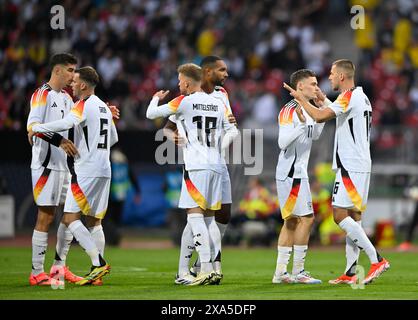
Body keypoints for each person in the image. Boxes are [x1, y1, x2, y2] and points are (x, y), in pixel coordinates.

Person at [284, 59, 390, 285]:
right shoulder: (360, 96)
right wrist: (323, 100)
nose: (329, 77)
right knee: (354, 217)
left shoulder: (349, 97)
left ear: (342, 77)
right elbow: (342, 113)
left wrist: (303, 99)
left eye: (332, 74)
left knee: (339, 215)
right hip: (360, 163)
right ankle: (351, 272)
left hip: (350, 164)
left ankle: (376, 260)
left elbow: (321, 116)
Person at [146, 63, 239, 285]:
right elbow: (233, 130)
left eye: (180, 81)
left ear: (187, 82)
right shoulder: (217, 103)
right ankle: (191, 271)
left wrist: (155, 98)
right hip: (217, 165)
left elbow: (151, 114)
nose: (179, 85)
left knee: (194, 216)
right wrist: (219, 147)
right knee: (207, 219)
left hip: (196, 166)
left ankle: (206, 268)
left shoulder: (184, 101)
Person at [29, 66, 118, 285]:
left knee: (70, 218)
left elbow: (66, 123)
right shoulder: (104, 108)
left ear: (84, 85)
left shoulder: (83, 104)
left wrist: (38, 127)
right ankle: (95, 275)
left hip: (87, 170)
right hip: (104, 169)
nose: (72, 84)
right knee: (95, 221)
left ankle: (98, 263)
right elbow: (113, 138)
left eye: (75, 81)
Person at [26, 53, 82, 286]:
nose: (73, 75)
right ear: (57, 70)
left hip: (64, 167)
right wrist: (58, 140)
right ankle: (36, 272)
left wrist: (105, 112)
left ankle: (59, 268)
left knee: (70, 215)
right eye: (69, 70)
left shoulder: (68, 99)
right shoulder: (42, 95)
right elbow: (33, 128)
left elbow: (77, 121)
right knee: (46, 216)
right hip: (46, 166)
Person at [273, 69, 325, 284]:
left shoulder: (307, 108)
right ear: (300, 87)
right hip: (291, 173)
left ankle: (280, 273)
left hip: (294, 172)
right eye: (312, 84)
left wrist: (320, 110)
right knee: (307, 219)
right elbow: (282, 143)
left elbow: (315, 134)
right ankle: (298, 272)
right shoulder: (290, 109)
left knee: (292, 222)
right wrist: (302, 124)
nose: (316, 87)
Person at [106, 147, 141, 246]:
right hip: (120, 195)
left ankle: (111, 240)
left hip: (111, 195)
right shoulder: (124, 164)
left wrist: (138, 192)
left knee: (109, 219)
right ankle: (113, 240)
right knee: (116, 219)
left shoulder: (110, 164)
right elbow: (132, 177)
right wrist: (138, 192)